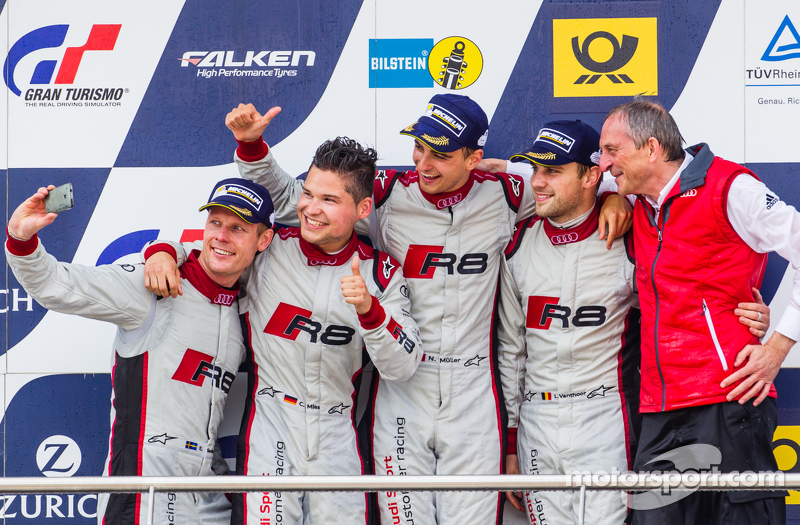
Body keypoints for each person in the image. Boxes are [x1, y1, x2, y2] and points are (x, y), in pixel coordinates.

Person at [223, 95, 633, 525]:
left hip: (474, 389)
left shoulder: (509, 195)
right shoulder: (384, 195)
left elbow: (569, 193)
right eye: (419, 148)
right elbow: (297, 201)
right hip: (403, 388)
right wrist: (253, 150)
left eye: (440, 153)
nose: (424, 163)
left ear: (474, 158)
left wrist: (612, 196)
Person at [495, 120, 772, 525]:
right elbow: (510, 350)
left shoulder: (634, 234)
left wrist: (744, 313)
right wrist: (512, 438)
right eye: (536, 170)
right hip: (537, 423)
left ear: (592, 175)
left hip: (608, 418)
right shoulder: (518, 242)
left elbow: (682, 298)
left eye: (552, 171)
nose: (538, 181)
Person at [143, 137, 423, 525]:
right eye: (307, 193)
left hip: (337, 435)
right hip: (271, 424)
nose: (310, 208)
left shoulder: (381, 271)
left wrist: (368, 310)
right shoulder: (270, 249)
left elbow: (404, 366)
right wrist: (163, 250)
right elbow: (212, 255)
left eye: (329, 199)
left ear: (361, 209)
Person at [6, 179, 275, 525]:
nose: (221, 237)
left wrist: (165, 247)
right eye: (215, 223)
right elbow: (54, 285)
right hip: (143, 492)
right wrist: (20, 238)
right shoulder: (151, 285)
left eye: (238, 228)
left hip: (209, 496)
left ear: (263, 240)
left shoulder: (247, 309)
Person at [598, 100, 800, 524]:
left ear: (651, 149)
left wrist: (777, 348)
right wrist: (611, 201)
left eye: (612, 151)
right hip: (659, 406)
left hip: (728, 398)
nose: (603, 164)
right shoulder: (636, 202)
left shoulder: (730, 187)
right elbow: (550, 183)